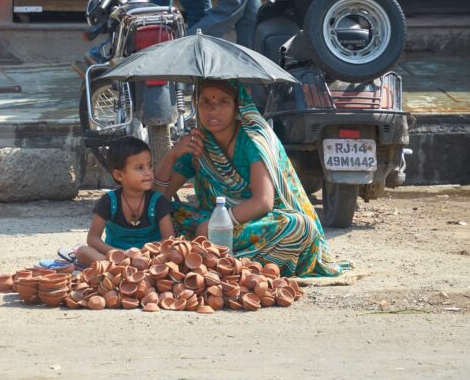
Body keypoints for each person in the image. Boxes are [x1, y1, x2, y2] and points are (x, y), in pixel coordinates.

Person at [152, 79, 346, 277]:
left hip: (258, 223)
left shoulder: (252, 140)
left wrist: (215, 225)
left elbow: (263, 202)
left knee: (299, 226)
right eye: (205, 102)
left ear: (238, 106)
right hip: (210, 222)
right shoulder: (196, 142)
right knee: (160, 215)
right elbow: (157, 200)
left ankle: (218, 263)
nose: (213, 110)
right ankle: (209, 259)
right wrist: (172, 155)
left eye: (223, 102)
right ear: (195, 104)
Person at [76, 137, 175, 266]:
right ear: (119, 175)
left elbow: (168, 238)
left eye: (150, 166)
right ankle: (118, 269)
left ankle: (118, 272)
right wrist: (119, 254)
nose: (149, 173)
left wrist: (146, 254)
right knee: (83, 251)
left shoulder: (158, 201)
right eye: (140, 168)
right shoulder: (108, 201)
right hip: (116, 258)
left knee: (175, 252)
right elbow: (93, 238)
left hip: (149, 259)